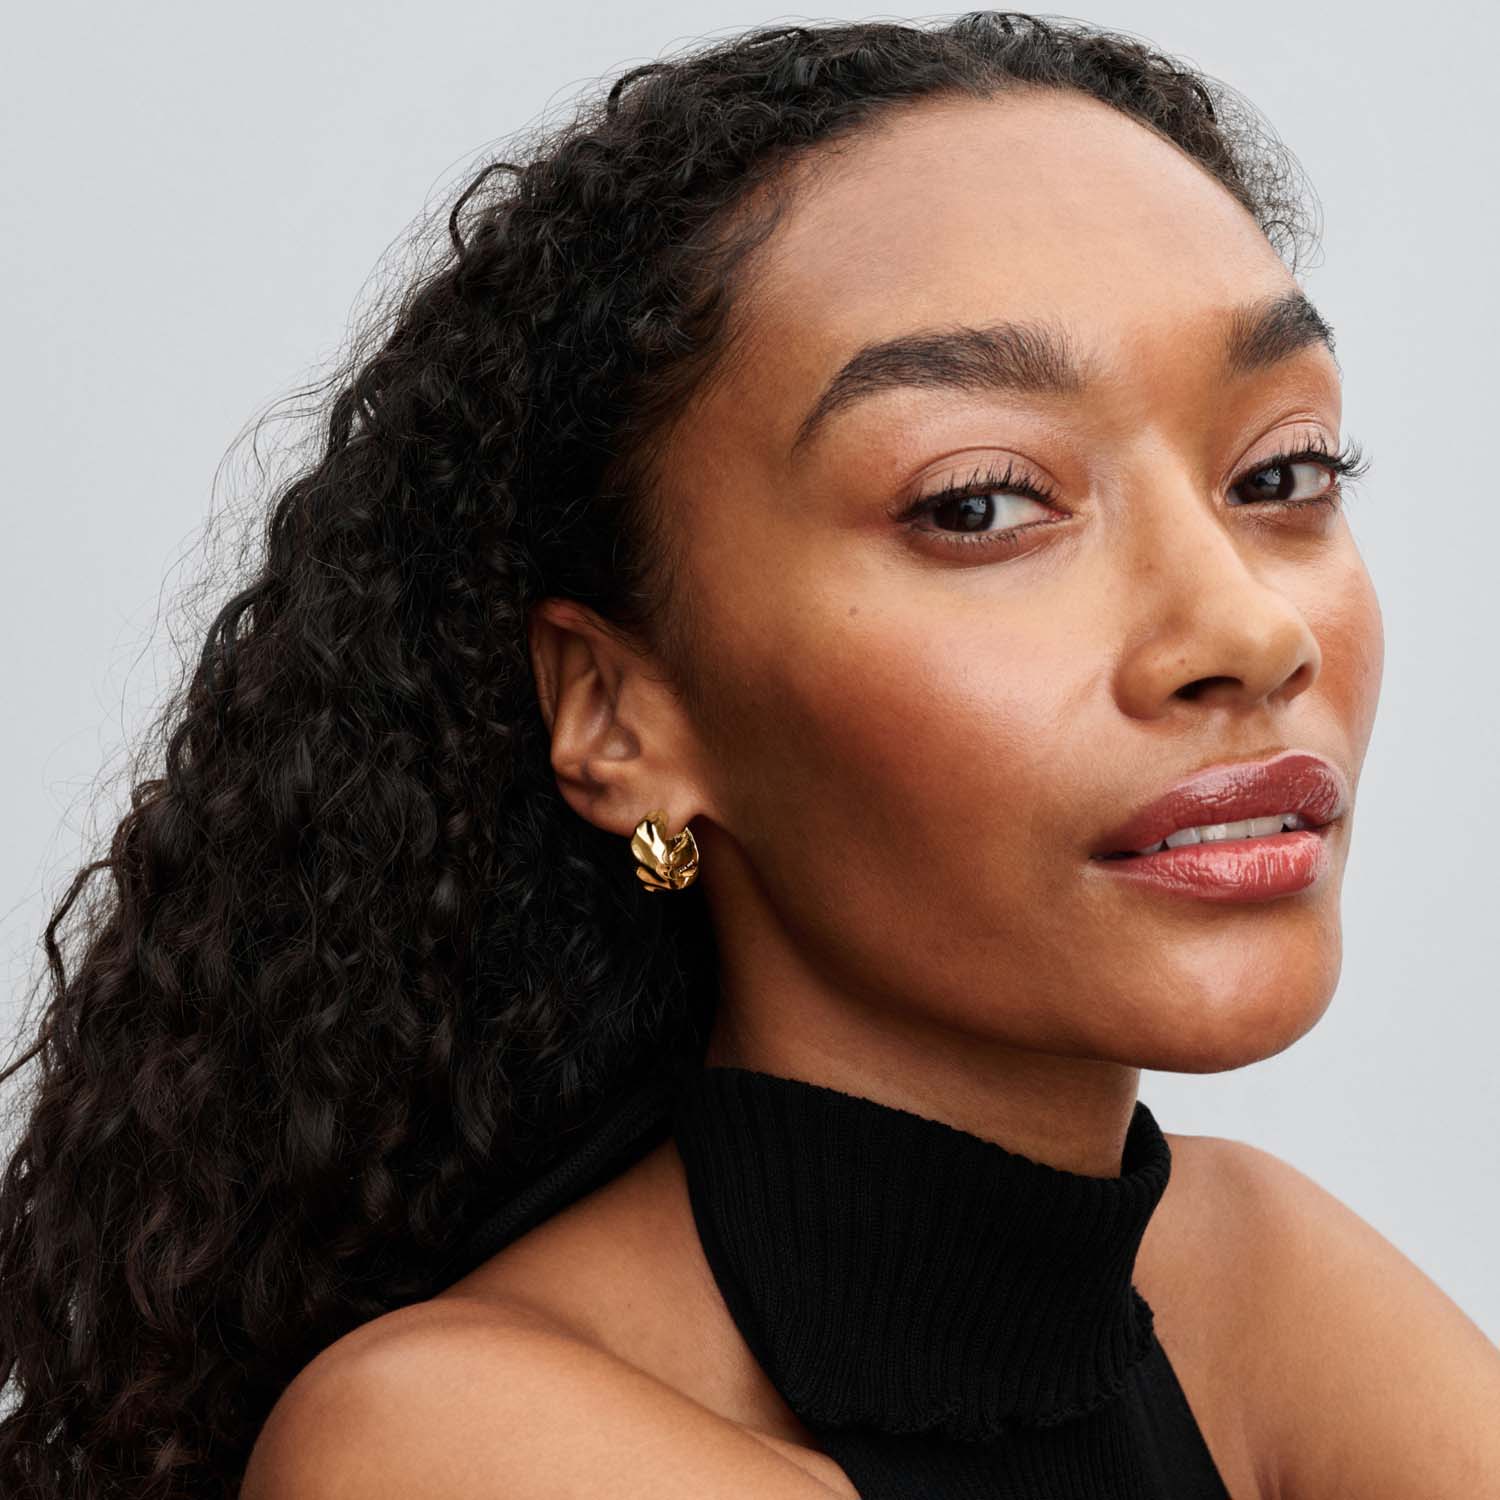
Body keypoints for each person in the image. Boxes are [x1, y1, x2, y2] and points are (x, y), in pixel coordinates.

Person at [3, 13, 1497, 1499]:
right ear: (622, 716)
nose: (1247, 629)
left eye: (1281, 472)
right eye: (978, 502)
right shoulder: (448, 1447)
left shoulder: (1254, 1285)